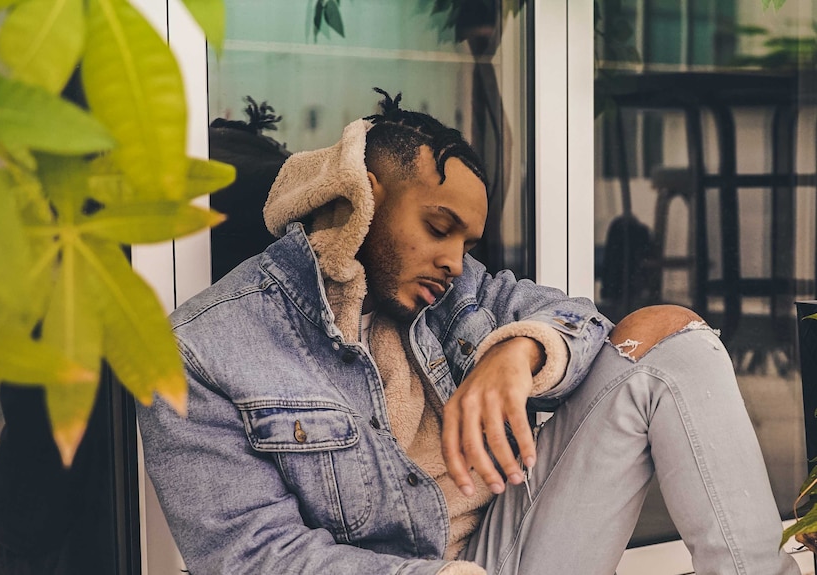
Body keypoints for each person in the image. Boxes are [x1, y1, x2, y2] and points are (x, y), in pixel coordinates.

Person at [137, 90, 798, 574]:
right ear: (362, 198)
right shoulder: (203, 351)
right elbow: (253, 558)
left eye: (467, 240)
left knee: (674, 343)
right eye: (438, 226)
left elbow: (580, 319)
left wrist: (517, 349)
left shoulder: (460, 289)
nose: (455, 259)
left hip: (517, 549)